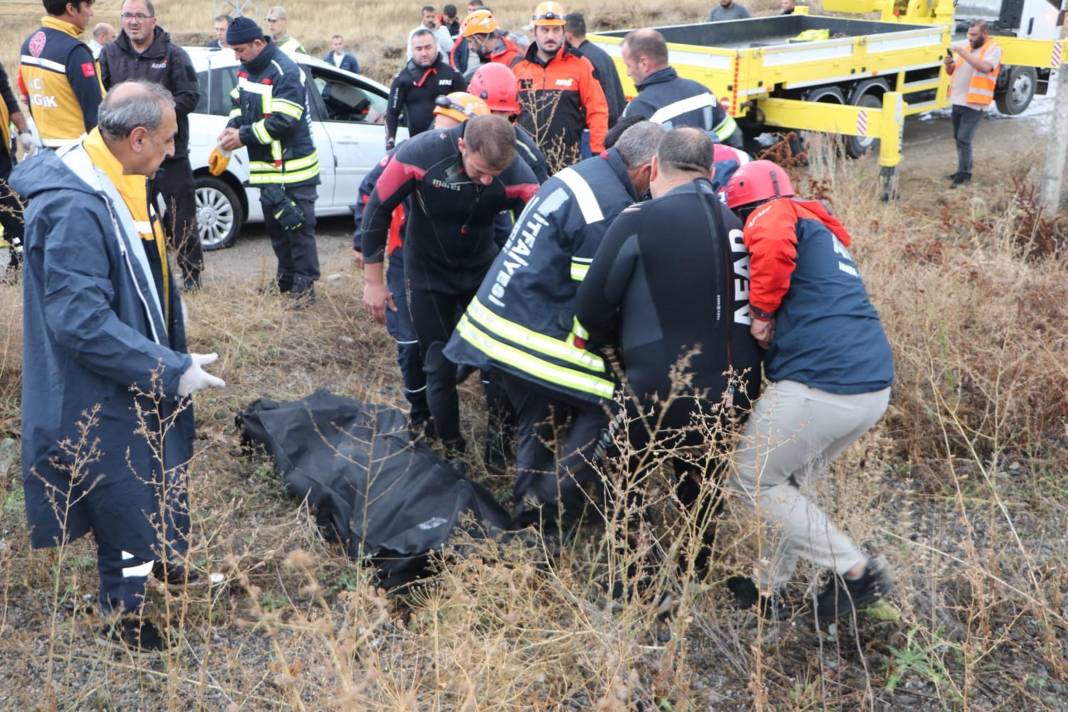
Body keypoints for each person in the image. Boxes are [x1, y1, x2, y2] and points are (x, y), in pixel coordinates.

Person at [13, 81, 225, 653]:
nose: (172, 152)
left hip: (131, 361)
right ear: (135, 138)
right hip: (102, 380)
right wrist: (167, 368)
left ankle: (154, 565)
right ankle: (121, 616)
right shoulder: (77, 204)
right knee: (124, 490)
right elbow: (81, 322)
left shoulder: (118, 176)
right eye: (167, 139)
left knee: (148, 477)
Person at [444, 121, 666, 530]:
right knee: (607, 403)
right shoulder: (608, 209)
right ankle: (550, 508)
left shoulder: (582, 175)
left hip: (500, 323)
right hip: (529, 335)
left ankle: (533, 510)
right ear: (648, 168)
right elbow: (596, 301)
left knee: (539, 423)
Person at [574, 128, 762, 574]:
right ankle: (694, 568)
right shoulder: (737, 224)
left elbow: (591, 305)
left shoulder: (638, 219)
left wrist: (614, 351)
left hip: (660, 385)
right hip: (739, 391)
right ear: (711, 172)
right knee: (700, 479)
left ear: (654, 167)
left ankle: (635, 577)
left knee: (619, 472)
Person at [722, 159, 895, 623]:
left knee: (751, 479)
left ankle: (856, 572)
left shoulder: (775, 212)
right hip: (868, 388)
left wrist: (760, 311)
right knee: (785, 483)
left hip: (824, 383)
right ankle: (768, 590)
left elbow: (772, 242)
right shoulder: (823, 234)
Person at [361, 115, 538, 457]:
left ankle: (498, 449)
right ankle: (453, 449)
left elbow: (541, 229)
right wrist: (373, 281)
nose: (487, 181)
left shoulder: (517, 171)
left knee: (497, 361)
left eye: (495, 175)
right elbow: (378, 208)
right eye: (480, 171)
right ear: (462, 147)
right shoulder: (421, 153)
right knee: (437, 364)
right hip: (427, 272)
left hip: (481, 269)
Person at [352, 93, 490, 438]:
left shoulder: (482, 169)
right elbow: (371, 199)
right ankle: (421, 416)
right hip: (407, 258)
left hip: (461, 266)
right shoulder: (410, 155)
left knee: (456, 341)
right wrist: (367, 255)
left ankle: (447, 388)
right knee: (413, 343)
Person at [100, 0, 203, 291]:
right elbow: (104, 97)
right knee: (133, 219)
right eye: (127, 15)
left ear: (153, 20)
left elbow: (191, 97)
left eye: (139, 16)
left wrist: (154, 116)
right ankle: (142, 276)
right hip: (128, 158)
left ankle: (192, 277)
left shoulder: (174, 55)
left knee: (182, 220)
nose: (133, 21)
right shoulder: (109, 54)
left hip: (169, 155)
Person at [219, 17, 320, 301]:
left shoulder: (285, 70)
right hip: (266, 168)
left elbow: (284, 121)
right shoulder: (245, 69)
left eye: (240, 50)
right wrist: (232, 127)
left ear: (259, 43)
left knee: (298, 227)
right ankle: (286, 279)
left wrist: (243, 137)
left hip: (294, 167)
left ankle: (305, 286)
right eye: (234, 51)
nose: (237, 56)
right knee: (276, 228)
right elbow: (237, 103)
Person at [513, 1, 609, 167]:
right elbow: (507, 116)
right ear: (534, 32)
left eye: (556, 30)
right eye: (544, 30)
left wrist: (598, 152)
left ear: (564, 32)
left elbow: (598, 110)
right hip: (525, 161)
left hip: (566, 160)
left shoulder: (581, 65)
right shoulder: (518, 68)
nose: (550, 36)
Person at [620, 29, 743, 148]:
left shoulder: (638, 108)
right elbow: (732, 136)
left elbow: (629, 161)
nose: (628, 73)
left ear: (644, 63)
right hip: (708, 167)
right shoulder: (702, 92)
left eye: (628, 65)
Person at [18, 0, 104, 150]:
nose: (91, 12)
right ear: (71, 8)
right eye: (87, 6)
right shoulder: (76, 52)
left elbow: (30, 97)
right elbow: (94, 113)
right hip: (77, 151)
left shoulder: (28, 44)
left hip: (43, 148)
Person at [467, 62, 549, 182]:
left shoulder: (527, 154)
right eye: (491, 111)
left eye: (502, 113)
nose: (495, 120)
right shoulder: (452, 130)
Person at [387, 29, 467, 150]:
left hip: (449, 146)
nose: (424, 53)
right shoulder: (402, 79)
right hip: (417, 145)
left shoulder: (452, 75)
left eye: (428, 47)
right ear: (412, 51)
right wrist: (390, 140)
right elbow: (392, 113)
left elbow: (467, 111)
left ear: (436, 47)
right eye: (419, 49)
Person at [944, 20, 1001, 187]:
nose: (970, 38)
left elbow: (984, 67)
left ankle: (964, 175)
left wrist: (962, 53)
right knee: (958, 138)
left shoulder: (993, 49)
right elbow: (952, 71)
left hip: (975, 103)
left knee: (964, 138)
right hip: (958, 100)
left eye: (974, 35)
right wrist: (949, 64)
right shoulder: (968, 47)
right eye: (969, 34)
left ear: (984, 33)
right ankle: (963, 170)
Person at [0, 61, 36, 275]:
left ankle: (19, 262)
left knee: (13, 209)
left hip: (2, 155)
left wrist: (24, 131)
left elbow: (9, 100)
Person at [564, 12, 626, 128]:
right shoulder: (603, 55)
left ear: (568, 35)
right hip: (615, 127)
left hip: (598, 130)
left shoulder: (581, 60)